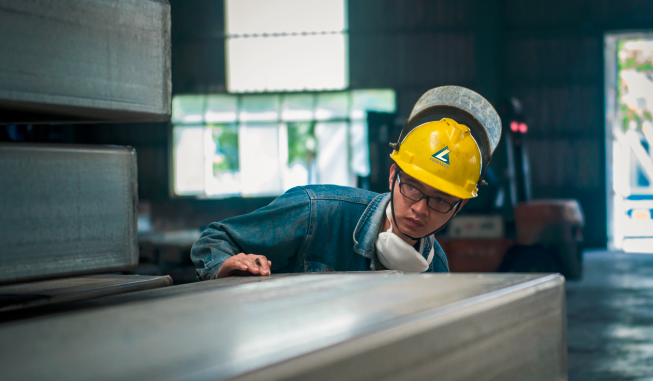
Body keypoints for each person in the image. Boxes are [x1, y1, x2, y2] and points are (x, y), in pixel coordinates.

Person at [191, 86, 502, 280]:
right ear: (393, 176)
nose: (420, 208)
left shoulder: (437, 268)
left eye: (440, 201)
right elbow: (213, 238)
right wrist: (225, 265)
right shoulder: (317, 212)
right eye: (412, 188)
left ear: (458, 207)